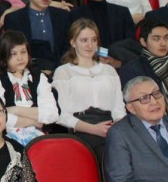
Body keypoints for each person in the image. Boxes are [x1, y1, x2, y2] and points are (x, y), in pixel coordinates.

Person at [50, 19, 125, 152]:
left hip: (111, 127)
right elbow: (63, 116)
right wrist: (94, 129)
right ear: (73, 42)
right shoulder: (63, 72)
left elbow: (119, 109)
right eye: (84, 40)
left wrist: (117, 128)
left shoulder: (109, 71)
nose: (90, 45)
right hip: (81, 129)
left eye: (94, 40)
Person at [0, 0, 70, 67]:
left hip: (60, 69)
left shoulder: (63, 16)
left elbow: (68, 48)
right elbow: (13, 51)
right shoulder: (14, 18)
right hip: (27, 69)